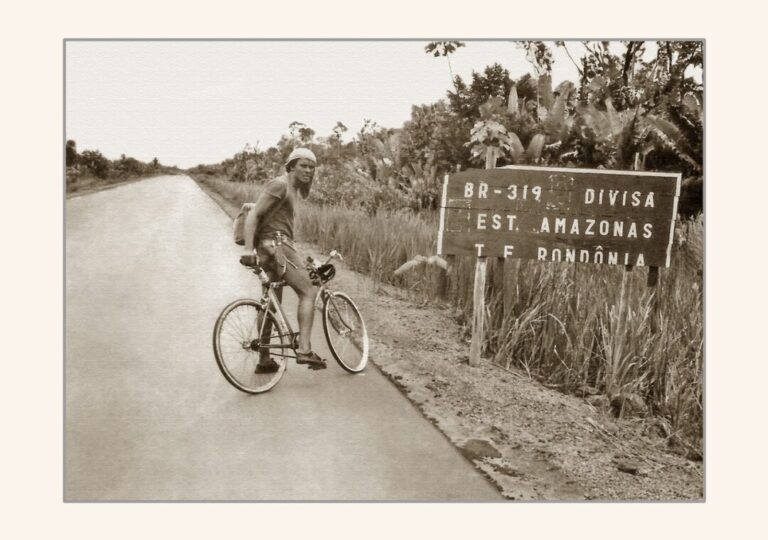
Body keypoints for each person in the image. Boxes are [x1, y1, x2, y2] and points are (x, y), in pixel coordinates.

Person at [240, 148, 326, 372]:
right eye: (303, 165)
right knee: (308, 291)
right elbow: (255, 214)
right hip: (277, 247)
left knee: (269, 304)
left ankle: (264, 360)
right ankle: (305, 350)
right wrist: (248, 249)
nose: (308, 170)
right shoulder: (280, 184)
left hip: (270, 248)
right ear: (291, 166)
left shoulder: (292, 190)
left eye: (311, 167)